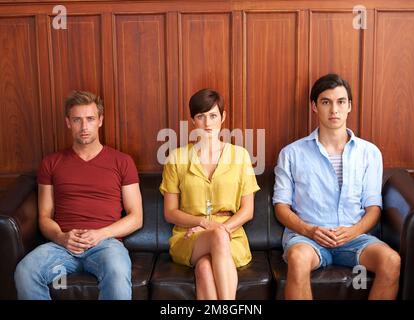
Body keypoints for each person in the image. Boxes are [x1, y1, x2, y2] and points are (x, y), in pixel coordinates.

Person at [273, 74, 401, 300]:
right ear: (314, 106)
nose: (334, 109)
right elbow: (281, 207)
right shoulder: (291, 153)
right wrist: (310, 230)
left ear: (349, 106)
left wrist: (353, 231)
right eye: (326, 102)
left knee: (391, 261)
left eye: (341, 102)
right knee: (298, 259)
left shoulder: (369, 153)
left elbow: (374, 208)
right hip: (308, 238)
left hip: (354, 236)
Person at [14, 90, 143, 300]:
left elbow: (136, 217)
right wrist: (61, 237)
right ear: (68, 122)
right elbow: (45, 216)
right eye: (77, 120)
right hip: (62, 246)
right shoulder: (51, 163)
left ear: (100, 120)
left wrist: (101, 234)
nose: (84, 127)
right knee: (25, 271)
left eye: (90, 119)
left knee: (117, 273)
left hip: (106, 244)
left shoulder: (123, 161)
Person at [160, 88, 260, 300]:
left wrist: (219, 228)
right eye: (201, 116)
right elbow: (170, 212)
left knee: (205, 268)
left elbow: (248, 210)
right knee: (216, 236)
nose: (207, 123)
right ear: (193, 121)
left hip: (232, 235)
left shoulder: (240, 156)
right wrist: (204, 223)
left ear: (223, 117)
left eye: (213, 115)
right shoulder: (177, 157)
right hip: (189, 236)